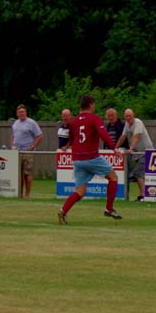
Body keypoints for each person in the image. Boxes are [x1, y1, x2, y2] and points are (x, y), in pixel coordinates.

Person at [57, 95, 123, 224]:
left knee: (80, 191)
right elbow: (103, 134)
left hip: (78, 159)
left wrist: (67, 146)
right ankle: (109, 209)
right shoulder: (95, 118)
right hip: (91, 157)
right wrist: (114, 148)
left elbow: (71, 138)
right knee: (113, 177)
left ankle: (63, 211)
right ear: (91, 105)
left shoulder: (74, 121)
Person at [115, 109, 154, 202]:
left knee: (138, 172)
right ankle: (145, 195)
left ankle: (143, 196)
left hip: (145, 152)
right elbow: (123, 136)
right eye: (126, 116)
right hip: (137, 154)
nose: (128, 118)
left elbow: (136, 136)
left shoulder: (138, 122)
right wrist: (115, 147)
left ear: (133, 115)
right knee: (140, 174)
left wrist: (131, 148)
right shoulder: (127, 124)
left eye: (130, 116)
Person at [10, 104, 43, 198]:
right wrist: (12, 146)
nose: (21, 113)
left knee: (27, 173)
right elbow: (12, 135)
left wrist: (33, 146)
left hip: (27, 152)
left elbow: (40, 136)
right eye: (19, 112)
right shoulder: (15, 123)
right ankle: (19, 194)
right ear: (17, 114)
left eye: (23, 112)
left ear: (26, 112)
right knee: (18, 174)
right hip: (17, 152)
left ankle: (27, 194)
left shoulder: (31, 123)